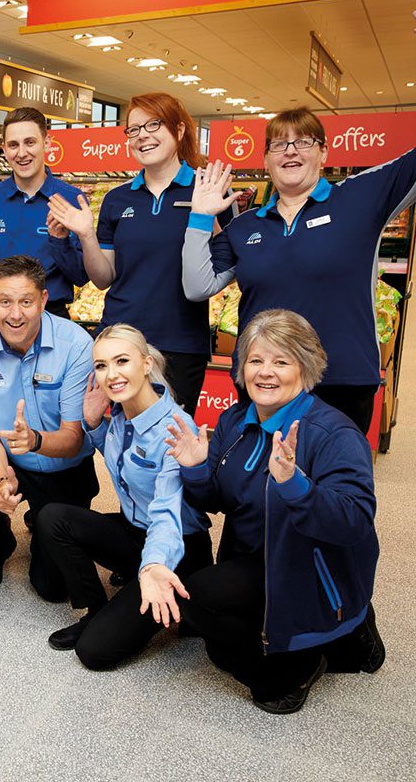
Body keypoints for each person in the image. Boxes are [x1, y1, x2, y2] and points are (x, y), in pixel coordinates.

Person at [183, 5, 416, 433]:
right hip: (262, 385)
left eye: (303, 141)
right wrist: (199, 216)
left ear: (324, 153)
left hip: (341, 383)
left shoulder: (360, 199)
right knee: (261, 494)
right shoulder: (246, 227)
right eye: (279, 145)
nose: (291, 151)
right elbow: (197, 286)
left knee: (335, 496)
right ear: (265, 159)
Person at [166, 309, 384, 714]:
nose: (266, 373)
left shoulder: (333, 433)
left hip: (310, 569)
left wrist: (295, 486)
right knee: (200, 620)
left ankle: (331, 644)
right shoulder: (235, 421)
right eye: (255, 360)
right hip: (256, 558)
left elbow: (354, 520)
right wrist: (196, 468)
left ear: (306, 367)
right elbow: (216, 500)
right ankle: (317, 639)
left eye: (281, 361)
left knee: (270, 692)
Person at [38, 324, 213, 669]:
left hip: (177, 548)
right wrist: (94, 425)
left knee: (95, 652)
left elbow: (166, 512)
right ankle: (95, 608)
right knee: (52, 517)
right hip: (135, 533)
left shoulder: (176, 431)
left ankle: (174, 592)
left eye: (122, 361)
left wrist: (153, 566)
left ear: (146, 364)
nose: (111, 374)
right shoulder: (120, 414)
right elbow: (126, 465)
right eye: (101, 366)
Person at [49, 93, 234, 415]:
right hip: (122, 339)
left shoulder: (208, 190)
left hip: (181, 343)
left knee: (173, 441)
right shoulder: (118, 200)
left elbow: (221, 264)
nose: (142, 136)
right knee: (123, 433)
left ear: (178, 130)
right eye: (133, 130)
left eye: (153, 124)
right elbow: (104, 277)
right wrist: (86, 235)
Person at [0, 255, 97, 596]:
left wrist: (33, 440)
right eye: (4, 302)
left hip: (65, 467)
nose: (15, 314)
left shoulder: (76, 346)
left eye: (26, 302)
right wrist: (3, 481)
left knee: (53, 589)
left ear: (44, 301)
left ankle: (43, 524)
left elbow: (73, 439)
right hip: (11, 461)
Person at [0, 107, 92, 324]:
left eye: (30, 142)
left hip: (49, 319)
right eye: (13, 145)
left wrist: (61, 242)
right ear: (4, 149)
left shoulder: (70, 200)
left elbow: (80, 276)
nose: (21, 153)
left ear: (47, 143)